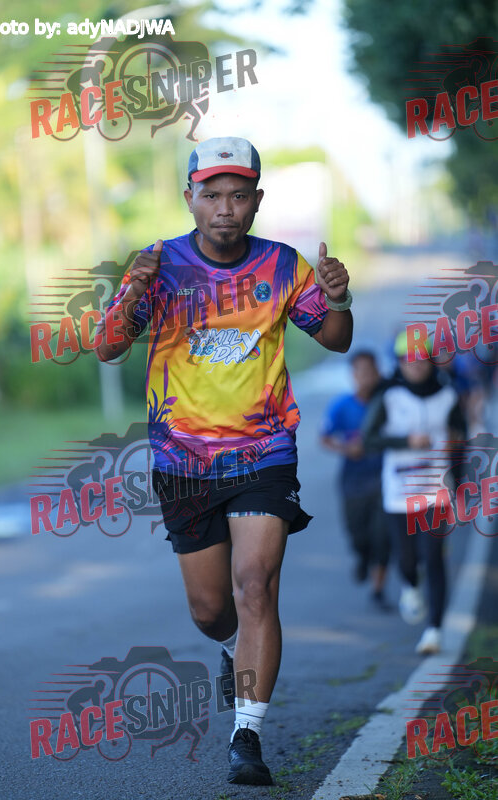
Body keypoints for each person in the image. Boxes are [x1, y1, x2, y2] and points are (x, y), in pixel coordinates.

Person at [95, 137, 353, 785]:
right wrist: (132, 294)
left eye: (238, 195)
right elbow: (106, 348)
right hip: (182, 462)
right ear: (190, 197)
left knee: (255, 585)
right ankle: (232, 647)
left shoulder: (282, 265)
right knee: (212, 612)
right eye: (211, 195)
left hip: (265, 453)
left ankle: (247, 735)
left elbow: (335, 339)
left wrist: (338, 299)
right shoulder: (159, 263)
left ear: (257, 200)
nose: (225, 208)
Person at [362, 332, 466, 656]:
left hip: (437, 490)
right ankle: (411, 583)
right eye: (408, 359)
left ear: (431, 361)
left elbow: (461, 442)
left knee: (434, 557)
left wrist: (461, 487)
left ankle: (434, 630)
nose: (416, 365)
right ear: (399, 362)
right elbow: (368, 440)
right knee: (407, 560)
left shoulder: (448, 395)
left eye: (421, 358)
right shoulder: (389, 396)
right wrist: (405, 442)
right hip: (399, 491)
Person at [320, 350, 391, 610]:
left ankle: (378, 590)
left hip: (385, 480)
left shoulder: (388, 403)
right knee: (358, 535)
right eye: (361, 371)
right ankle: (363, 556)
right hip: (353, 482)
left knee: (384, 537)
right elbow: (325, 438)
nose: (366, 377)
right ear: (353, 375)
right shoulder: (341, 405)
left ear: (378, 372)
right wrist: (347, 449)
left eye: (371, 371)